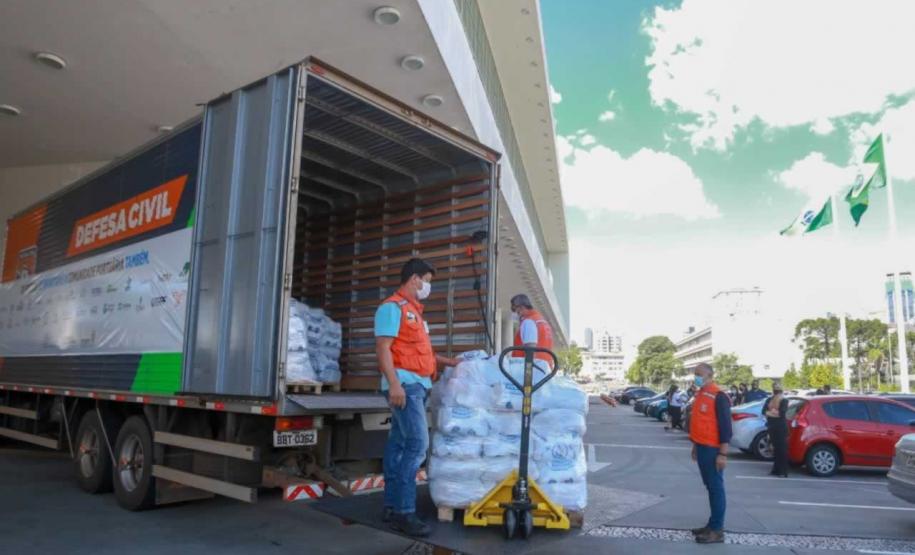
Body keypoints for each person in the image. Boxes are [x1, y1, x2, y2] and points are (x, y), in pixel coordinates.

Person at [376, 258, 460, 537]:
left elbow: (420, 352)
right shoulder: (392, 308)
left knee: (399, 444)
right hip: (405, 387)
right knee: (417, 446)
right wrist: (394, 384)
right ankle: (404, 513)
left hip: (418, 385)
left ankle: (392, 505)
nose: (428, 286)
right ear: (414, 278)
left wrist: (449, 362)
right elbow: (384, 348)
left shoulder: (414, 312)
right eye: (427, 280)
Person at [689, 362, 732, 544]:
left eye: (699, 374)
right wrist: (695, 445)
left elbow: (725, 426)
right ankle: (712, 524)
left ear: (709, 375)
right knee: (711, 487)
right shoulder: (701, 394)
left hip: (713, 450)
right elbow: (701, 422)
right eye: (695, 374)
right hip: (702, 446)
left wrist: (723, 453)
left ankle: (717, 530)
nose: (696, 377)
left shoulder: (718, 396)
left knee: (716, 489)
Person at [510, 293, 554, 369]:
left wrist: (528, 375)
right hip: (544, 369)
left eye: (515, 310)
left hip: (532, 372)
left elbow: (530, 351)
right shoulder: (541, 321)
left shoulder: (528, 322)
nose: (515, 314)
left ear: (521, 307)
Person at [763, 383, 789, 477]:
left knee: (782, 450)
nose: (776, 391)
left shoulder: (784, 400)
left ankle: (783, 472)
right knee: (774, 449)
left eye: (778, 389)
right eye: (775, 389)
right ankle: (775, 469)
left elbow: (782, 414)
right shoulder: (769, 399)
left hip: (781, 427)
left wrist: (769, 413)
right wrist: (774, 413)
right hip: (772, 426)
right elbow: (763, 411)